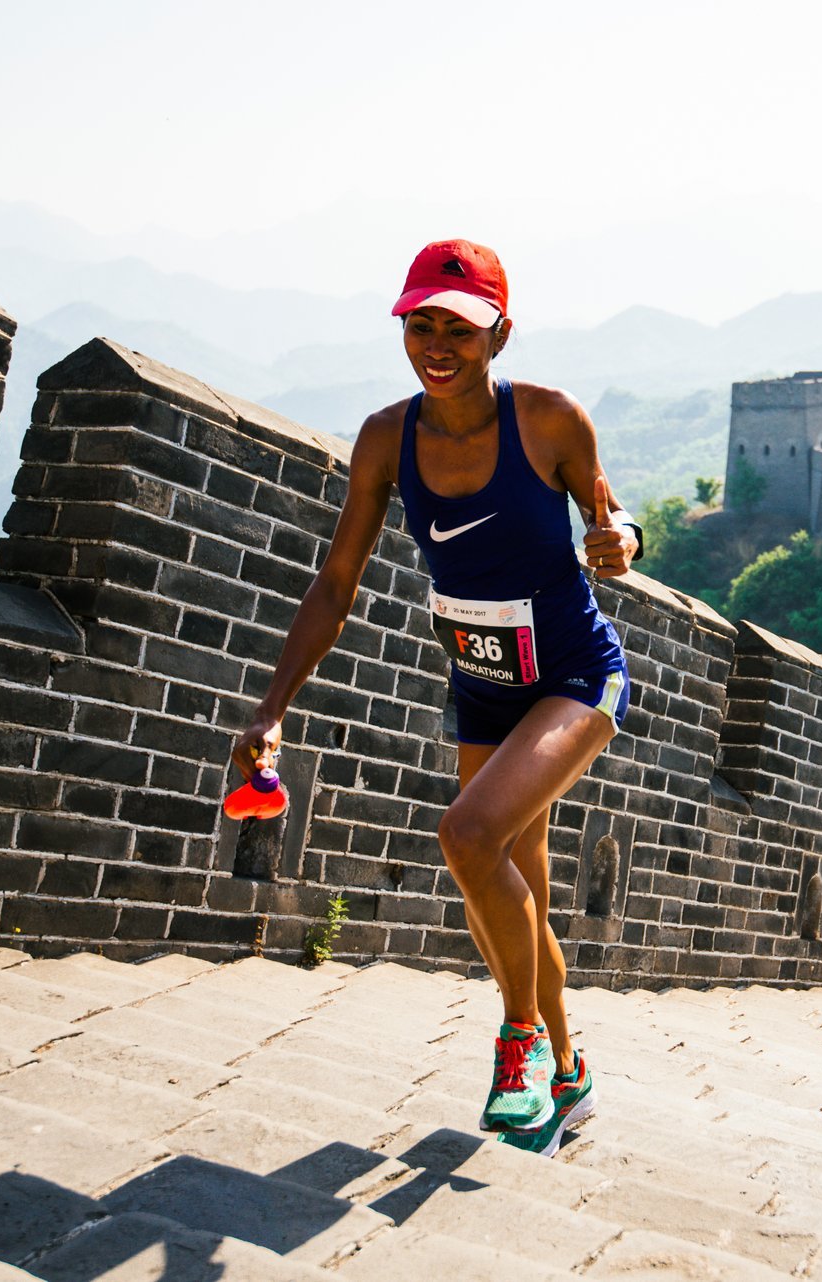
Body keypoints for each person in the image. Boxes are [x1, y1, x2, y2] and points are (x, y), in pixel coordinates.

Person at [231, 239, 641, 1159]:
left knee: (467, 835)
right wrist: (271, 710)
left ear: (500, 334)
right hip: (483, 685)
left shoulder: (548, 422)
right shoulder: (387, 439)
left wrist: (622, 541)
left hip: (574, 677)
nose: (438, 343)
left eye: (460, 326)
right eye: (421, 324)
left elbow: (613, 521)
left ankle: (519, 1046)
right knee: (517, 890)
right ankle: (569, 1077)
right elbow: (337, 582)